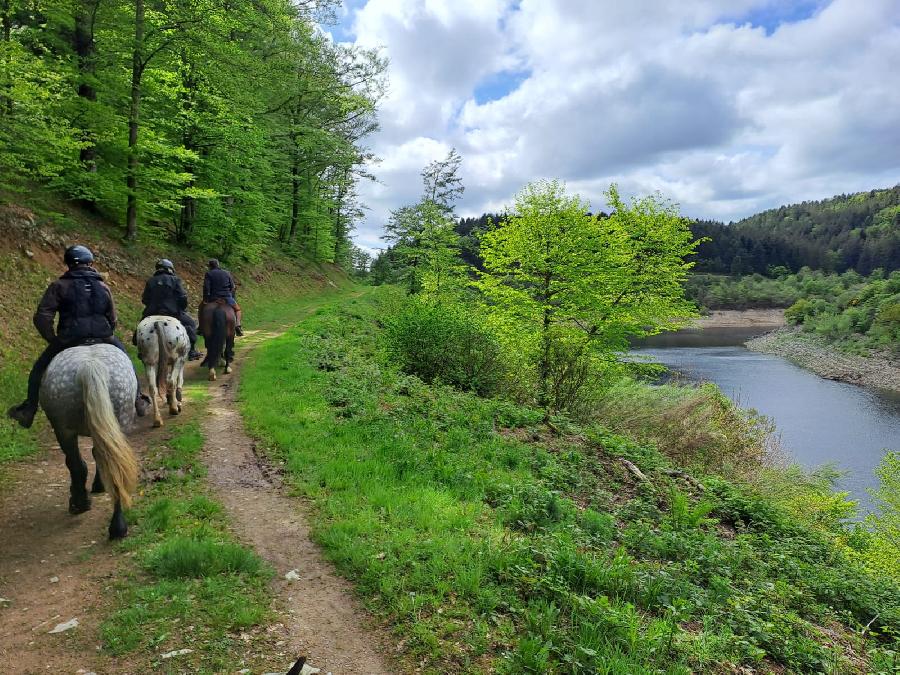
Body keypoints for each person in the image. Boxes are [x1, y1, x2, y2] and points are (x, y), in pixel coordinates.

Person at [7, 245, 150, 429]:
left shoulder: (59, 286)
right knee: (127, 362)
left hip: (69, 338)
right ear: (90, 263)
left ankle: (29, 410)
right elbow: (112, 319)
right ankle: (137, 399)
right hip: (102, 337)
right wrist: (107, 331)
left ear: (68, 264)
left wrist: (53, 339)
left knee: (38, 369)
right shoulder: (102, 286)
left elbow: (42, 317)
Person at [140, 259, 202, 360]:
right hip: (172, 313)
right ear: (170, 269)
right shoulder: (175, 280)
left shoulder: (150, 281)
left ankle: (141, 349)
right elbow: (182, 297)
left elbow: (145, 299)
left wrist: (152, 306)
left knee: (140, 328)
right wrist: (181, 308)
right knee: (191, 324)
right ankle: (192, 351)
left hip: (151, 313)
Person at [202, 259, 243, 336]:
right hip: (227, 297)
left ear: (210, 266)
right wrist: (231, 296)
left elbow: (206, 288)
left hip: (213, 298)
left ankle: (201, 327)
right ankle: (238, 325)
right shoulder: (227, 273)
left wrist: (205, 299)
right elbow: (232, 286)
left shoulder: (208, 273)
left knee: (202, 308)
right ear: (218, 265)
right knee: (238, 309)